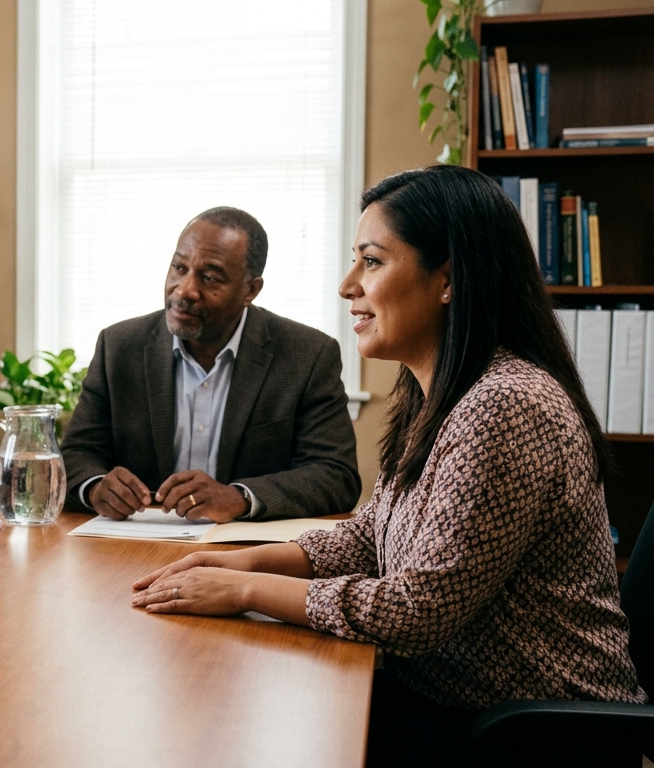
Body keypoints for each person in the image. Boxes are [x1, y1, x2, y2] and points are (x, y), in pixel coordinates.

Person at [132, 166, 644, 767]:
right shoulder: (440, 394)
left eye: (371, 262)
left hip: (530, 735)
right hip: (460, 703)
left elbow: (415, 611)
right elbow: (371, 534)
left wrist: (245, 588)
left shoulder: (505, 405)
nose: (347, 285)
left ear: (448, 280)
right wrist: (244, 560)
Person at [60, 206, 359, 522]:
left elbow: (335, 475)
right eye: (179, 267)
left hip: (246, 545)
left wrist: (240, 498)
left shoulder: (307, 354)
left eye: (210, 277)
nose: (185, 289)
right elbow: (75, 455)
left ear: (250, 290)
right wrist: (95, 487)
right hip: (134, 539)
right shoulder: (120, 346)